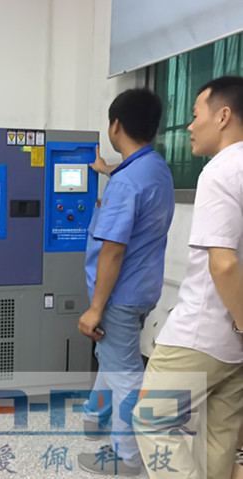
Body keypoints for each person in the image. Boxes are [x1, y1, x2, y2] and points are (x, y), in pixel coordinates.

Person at [133, 76, 243, 479]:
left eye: (196, 115)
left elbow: (224, 264)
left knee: (151, 419)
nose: (190, 126)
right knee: (220, 436)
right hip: (233, 345)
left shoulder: (220, 171)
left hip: (202, 331)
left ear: (224, 116)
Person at [77, 88, 175, 475]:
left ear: (115, 125)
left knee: (126, 375)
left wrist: (95, 308)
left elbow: (113, 251)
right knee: (113, 356)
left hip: (118, 295)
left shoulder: (126, 183)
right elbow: (132, 182)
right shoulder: (156, 168)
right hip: (144, 290)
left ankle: (127, 458)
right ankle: (94, 417)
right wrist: (105, 170)